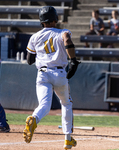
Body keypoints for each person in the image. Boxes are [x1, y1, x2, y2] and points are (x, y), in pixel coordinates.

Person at [23, 6, 80, 149]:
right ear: (55, 18)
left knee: (44, 106)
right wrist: (73, 60)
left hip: (42, 74)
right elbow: (66, 38)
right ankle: (67, 139)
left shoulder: (34, 36)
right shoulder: (62, 32)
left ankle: (34, 118)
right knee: (66, 103)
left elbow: (30, 60)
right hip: (59, 73)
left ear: (41, 21)